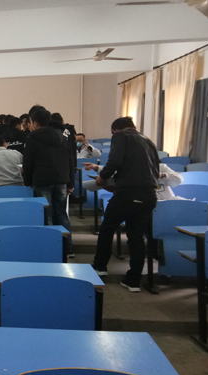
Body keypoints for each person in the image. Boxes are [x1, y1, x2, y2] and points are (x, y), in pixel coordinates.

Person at [83, 117, 159, 292]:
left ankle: (100, 266)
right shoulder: (148, 140)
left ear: (114, 130)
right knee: (136, 236)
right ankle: (133, 280)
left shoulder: (121, 137)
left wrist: (102, 178)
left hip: (128, 193)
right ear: (134, 127)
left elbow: (115, 162)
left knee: (107, 228)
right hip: (149, 194)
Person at [22, 108, 74, 257]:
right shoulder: (61, 137)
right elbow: (70, 160)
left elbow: (28, 163)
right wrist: (70, 181)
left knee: (47, 214)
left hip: (42, 180)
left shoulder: (32, 138)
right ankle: (68, 248)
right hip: (61, 180)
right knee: (62, 213)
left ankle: (52, 248)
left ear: (35, 122)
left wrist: (27, 181)